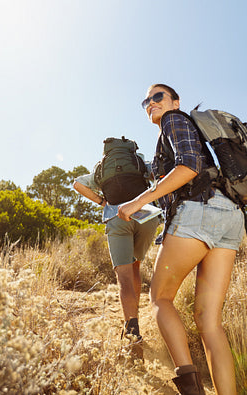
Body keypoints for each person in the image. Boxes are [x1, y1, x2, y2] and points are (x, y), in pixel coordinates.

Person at [118, 84, 244, 395]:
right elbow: (177, 169)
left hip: (199, 212)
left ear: (175, 101)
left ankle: (191, 390)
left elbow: (189, 166)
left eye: (157, 96)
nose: (151, 103)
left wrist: (136, 203)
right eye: (146, 100)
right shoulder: (180, 134)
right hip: (230, 217)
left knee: (160, 298)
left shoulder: (174, 120)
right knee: (209, 321)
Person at [73, 143, 160, 343]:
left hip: (116, 216)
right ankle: (135, 312)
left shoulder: (101, 169)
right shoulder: (138, 163)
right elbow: (158, 174)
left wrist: (102, 203)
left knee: (124, 277)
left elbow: (77, 184)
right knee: (135, 266)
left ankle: (132, 330)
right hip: (146, 216)